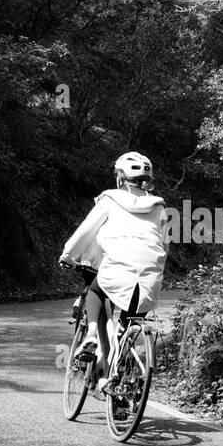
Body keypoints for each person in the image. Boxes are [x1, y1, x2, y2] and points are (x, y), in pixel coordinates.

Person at [59, 152, 168, 391]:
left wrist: (67, 256)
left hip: (116, 268)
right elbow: (164, 244)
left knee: (95, 291)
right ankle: (117, 384)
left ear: (121, 177)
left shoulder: (110, 200)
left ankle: (90, 336)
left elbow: (84, 232)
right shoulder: (159, 206)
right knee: (127, 327)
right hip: (150, 274)